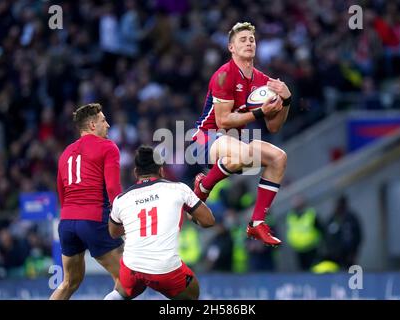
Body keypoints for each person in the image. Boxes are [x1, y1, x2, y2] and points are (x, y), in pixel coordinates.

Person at [191, 22, 291, 246]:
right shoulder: (224, 75)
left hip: (234, 144)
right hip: (204, 138)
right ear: (231, 48)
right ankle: (204, 186)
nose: (248, 43)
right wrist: (258, 113)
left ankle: (256, 224)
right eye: (242, 40)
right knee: (244, 153)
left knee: (279, 158)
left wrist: (286, 101)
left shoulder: (263, 82)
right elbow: (222, 120)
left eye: (252, 39)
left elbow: (274, 127)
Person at [108, 146, 215, 300]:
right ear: (161, 170)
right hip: (166, 269)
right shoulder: (179, 189)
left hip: (132, 266)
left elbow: (113, 232)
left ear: (136, 172)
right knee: (192, 293)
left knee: (120, 292)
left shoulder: (121, 199)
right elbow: (209, 221)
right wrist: (196, 204)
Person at [50, 103, 126, 300]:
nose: (108, 125)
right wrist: (122, 220)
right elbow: (113, 189)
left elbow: (61, 192)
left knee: (69, 283)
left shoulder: (66, 152)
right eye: (103, 121)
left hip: (66, 223)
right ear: (93, 125)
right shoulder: (108, 147)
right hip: (93, 221)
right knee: (127, 281)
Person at [286, 195, 323, 271]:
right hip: (298, 249)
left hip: (311, 248)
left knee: (315, 269)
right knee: (303, 270)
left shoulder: (311, 214)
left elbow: (321, 229)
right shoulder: (291, 216)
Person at [325, 195, 362, 269]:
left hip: (349, 253)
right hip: (334, 254)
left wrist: (354, 252)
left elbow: (358, 236)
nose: (339, 206)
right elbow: (327, 236)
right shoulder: (332, 218)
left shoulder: (351, 218)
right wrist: (329, 250)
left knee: (349, 272)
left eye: (341, 204)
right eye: (338, 203)